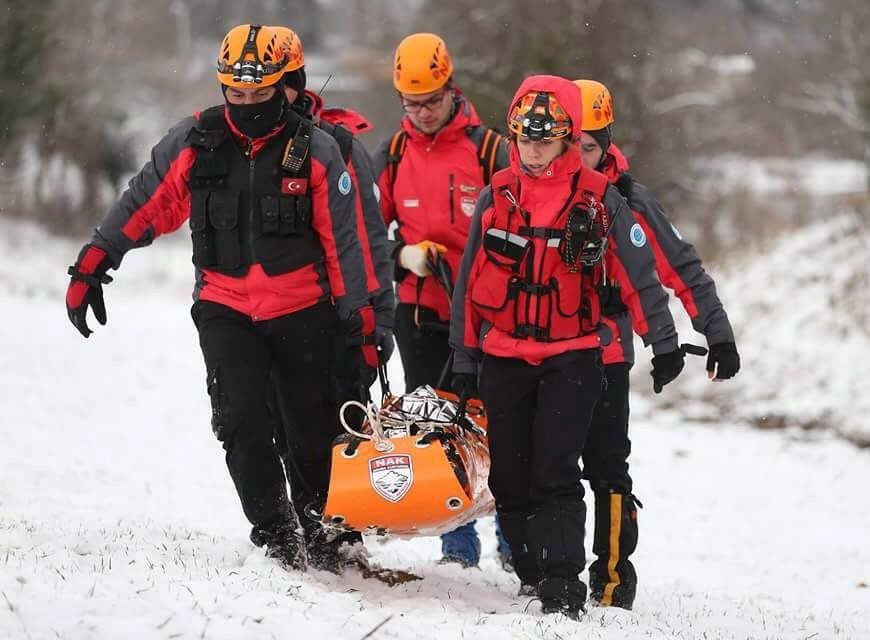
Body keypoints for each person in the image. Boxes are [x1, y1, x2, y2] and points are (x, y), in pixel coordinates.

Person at [64, 24, 380, 573]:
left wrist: (364, 323)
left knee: (312, 428)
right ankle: (276, 531)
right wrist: (94, 261)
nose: (247, 105)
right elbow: (145, 202)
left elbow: (346, 244)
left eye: (260, 94)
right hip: (225, 306)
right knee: (240, 423)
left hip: (304, 310)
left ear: (289, 86)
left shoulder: (320, 151)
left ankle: (328, 531)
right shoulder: (194, 142)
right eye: (236, 93)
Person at [449, 74, 684, 618]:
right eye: (525, 138)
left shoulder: (601, 199)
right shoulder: (496, 195)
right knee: (510, 475)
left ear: (567, 137)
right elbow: (467, 286)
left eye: (546, 139)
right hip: (504, 355)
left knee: (556, 470)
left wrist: (664, 343)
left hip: (573, 355)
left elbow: (638, 275)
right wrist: (465, 356)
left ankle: (562, 586)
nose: (533, 150)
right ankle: (531, 574)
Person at [570, 78, 740, 609]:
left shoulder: (629, 201)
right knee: (543, 469)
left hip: (605, 352)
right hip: (535, 352)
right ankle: (547, 575)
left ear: (606, 143)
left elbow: (679, 269)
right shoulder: (525, 196)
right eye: (568, 143)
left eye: (588, 147)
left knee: (606, 469)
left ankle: (614, 580)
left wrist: (716, 334)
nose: (577, 158)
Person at [372, 32, 509, 568]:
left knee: (493, 420)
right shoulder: (392, 155)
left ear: (452, 89)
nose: (423, 112)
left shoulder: (491, 150)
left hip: (486, 317)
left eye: (432, 100)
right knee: (432, 424)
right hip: (420, 310)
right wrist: (402, 256)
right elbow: (358, 237)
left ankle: (513, 535)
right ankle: (456, 539)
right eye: (412, 103)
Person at [267, 25, 395, 570]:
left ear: (297, 87)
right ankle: (307, 522)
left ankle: (338, 528)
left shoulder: (338, 147)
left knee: (331, 424)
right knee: (282, 423)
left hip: (340, 315)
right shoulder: (254, 149)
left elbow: (368, 240)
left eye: (283, 87)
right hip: (278, 315)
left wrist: (376, 320)